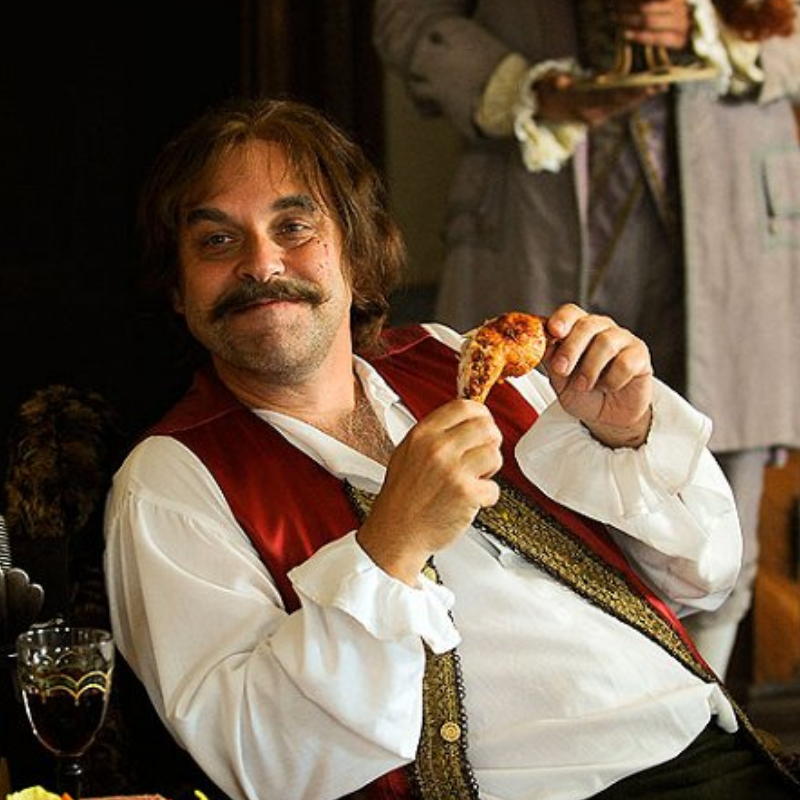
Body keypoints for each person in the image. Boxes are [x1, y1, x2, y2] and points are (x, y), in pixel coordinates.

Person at [103, 96, 800, 800]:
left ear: (356, 252)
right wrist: (390, 547)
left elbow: (698, 580)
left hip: (725, 746)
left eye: (294, 226)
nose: (261, 263)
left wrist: (626, 436)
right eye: (216, 241)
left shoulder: (456, 357)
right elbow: (261, 765)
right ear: (178, 288)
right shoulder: (168, 482)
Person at [372, 0, 800, 680]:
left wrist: (711, 28)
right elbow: (407, 16)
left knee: (720, 526)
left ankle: (707, 716)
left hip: (732, 224)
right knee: (505, 508)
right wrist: (522, 88)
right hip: (533, 211)